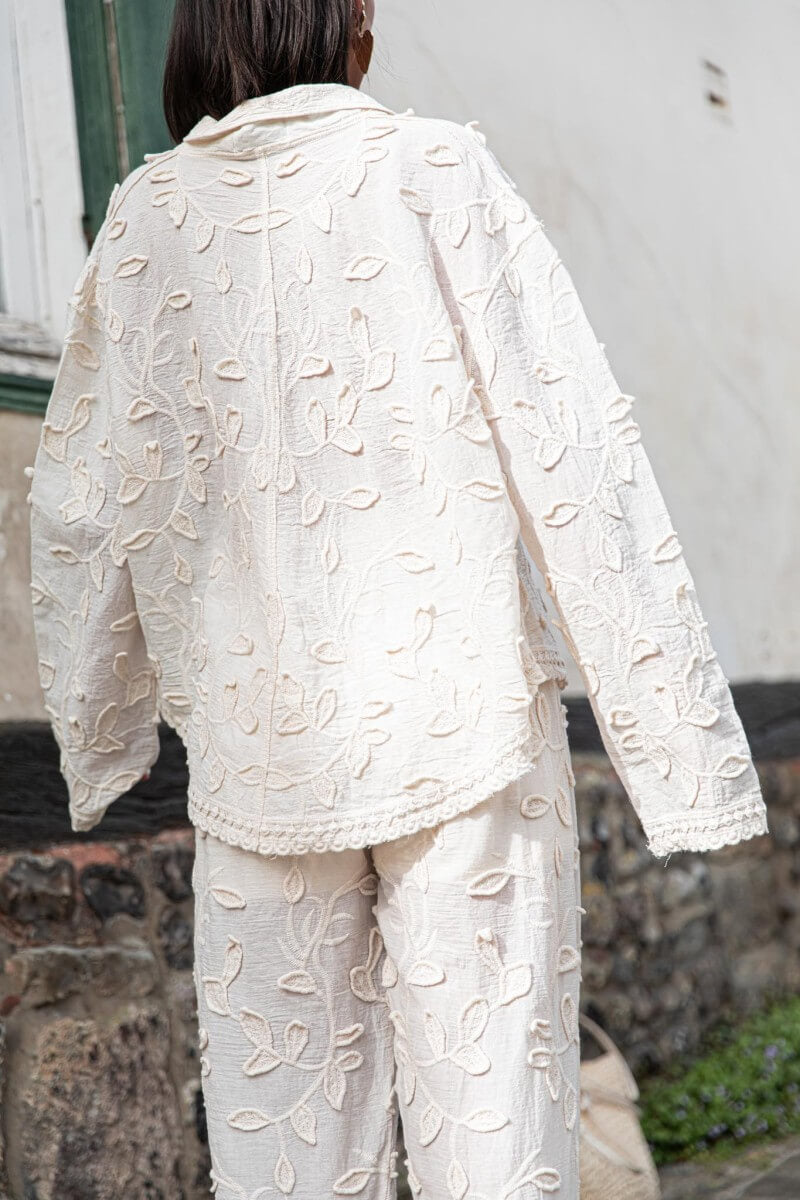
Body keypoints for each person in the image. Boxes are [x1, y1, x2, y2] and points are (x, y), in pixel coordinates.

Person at [27, 1, 769, 1196]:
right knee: (493, 1138)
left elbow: (81, 501)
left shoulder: (142, 220)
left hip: (258, 755)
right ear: (345, 31)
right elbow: (568, 442)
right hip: (462, 716)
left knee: (288, 1154)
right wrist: (674, 742)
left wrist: (100, 726)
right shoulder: (433, 168)